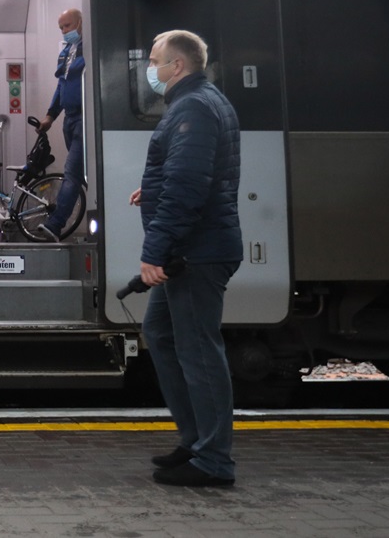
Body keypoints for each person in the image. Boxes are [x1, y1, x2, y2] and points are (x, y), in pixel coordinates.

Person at [128, 30, 243, 487]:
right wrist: (152, 190)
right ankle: (195, 441)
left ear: (177, 66)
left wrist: (154, 251)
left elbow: (188, 185)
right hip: (195, 246)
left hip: (196, 251)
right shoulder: (203, 101)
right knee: (160, 331)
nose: (149, 69)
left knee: (198, 350)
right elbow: (192, 171)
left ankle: (214, 461)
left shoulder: (192, 106)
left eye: (154, 60)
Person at [36, 8, 85, 242]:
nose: (65, 31)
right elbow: (61, 86)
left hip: (85, 119)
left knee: (72, 173)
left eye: (68, 26)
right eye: (62, 28)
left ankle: (55, 225)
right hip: (70, 120)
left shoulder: (90, 49)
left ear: (81, 23)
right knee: (76, 175)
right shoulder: (67, 52)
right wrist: (50, 116)